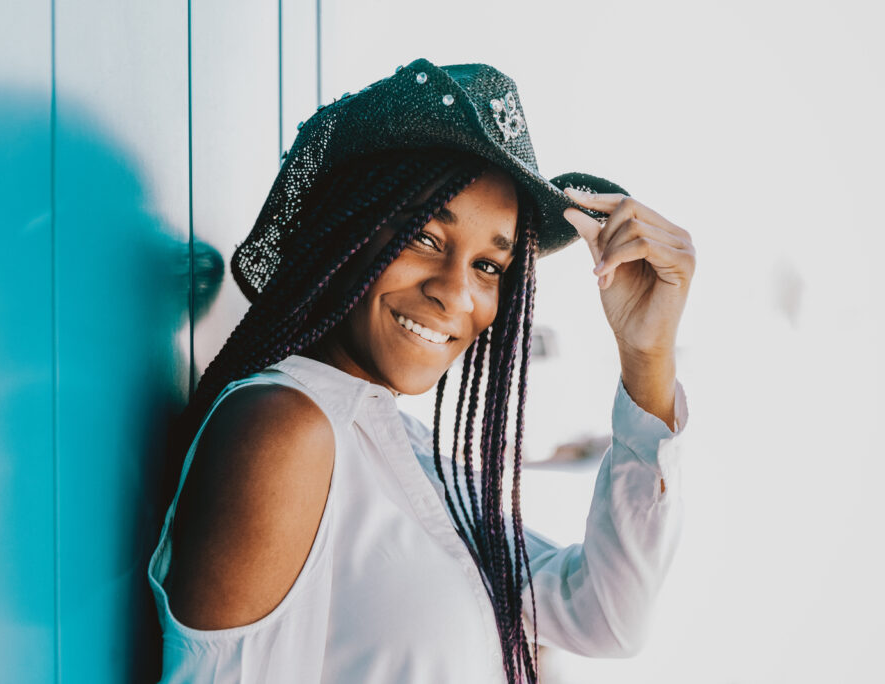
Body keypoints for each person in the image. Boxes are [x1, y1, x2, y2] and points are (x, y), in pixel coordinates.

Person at [147, 57, 694, 684]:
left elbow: (608, 617)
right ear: (347, 229)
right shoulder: (285, 428)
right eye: (425, 238)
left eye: (489, 266)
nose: (455, 293)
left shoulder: (404, 448)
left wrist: (646, 355)